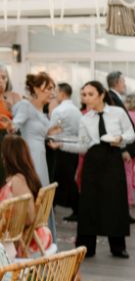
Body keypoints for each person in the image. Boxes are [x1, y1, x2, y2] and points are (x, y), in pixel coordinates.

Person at [74, 80, 135, 258]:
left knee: (115, 201)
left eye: (90, 94)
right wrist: (61, 145)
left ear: (101, 95)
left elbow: (131, 135)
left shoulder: (117, 113)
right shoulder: (84, 118)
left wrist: (120, 138)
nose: (86, 98)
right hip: (92, 162)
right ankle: (86, 247)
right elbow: (83, 147)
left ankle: (118, 247)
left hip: (113, 159)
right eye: (84, 94)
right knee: (89, 203)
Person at [0, 135, 54, 257]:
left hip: (21, 241)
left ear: (8, 157)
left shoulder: (17, 181)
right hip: (28, 236)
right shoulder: (27, 177)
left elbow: (30, 217)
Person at [10, 72, 58, 185]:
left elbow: (45, 134)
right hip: (29, 156)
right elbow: (14, 126)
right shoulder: (25, 106)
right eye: (49, 89)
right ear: (36, 89)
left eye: (53, 89)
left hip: (41, 156)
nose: (52, 93)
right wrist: (10, 126)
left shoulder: (43, 112)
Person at [47, 82, 83, 219]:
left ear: (62, 93)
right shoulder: (77, 111)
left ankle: (74, 208)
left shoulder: (58, 111)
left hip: (60, 148)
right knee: (67, 179)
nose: (54, 94)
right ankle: (56, 207)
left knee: (59, 179)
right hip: (74, 149)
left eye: (56, 91)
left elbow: (51, 131)